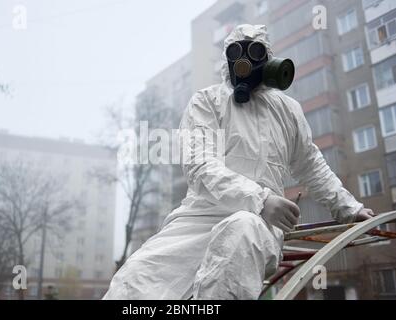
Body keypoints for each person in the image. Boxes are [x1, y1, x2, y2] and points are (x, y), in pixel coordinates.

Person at [103, 24, 375, 300]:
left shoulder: (287, 111)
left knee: (241, 233)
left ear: (268, 59)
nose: (244, 60)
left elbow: (311, 165)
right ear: (227, 59)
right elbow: (200, 164)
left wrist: (350, 208)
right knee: (136, 279)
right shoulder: (208, 101)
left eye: (254, 51)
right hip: (200, 217)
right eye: (236, 51)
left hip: (259, 224)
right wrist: (261, 198)